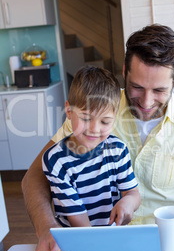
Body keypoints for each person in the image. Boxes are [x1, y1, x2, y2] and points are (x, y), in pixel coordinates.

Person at [22, 24, 174, 251]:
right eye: (137, 87)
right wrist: (46, 230)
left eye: (159, 90)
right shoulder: (95, 109)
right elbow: (33, 178)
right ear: (125, 71)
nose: (146, 101)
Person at [42, 66, 140, 229]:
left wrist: (128, 203)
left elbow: (132, 193)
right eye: (86, 118)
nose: (94, 129)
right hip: (80, 236)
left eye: (105, 122)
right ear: (68, 111)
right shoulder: (56, 160)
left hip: (111, 235)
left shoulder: (118, 150)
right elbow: (80, 222)